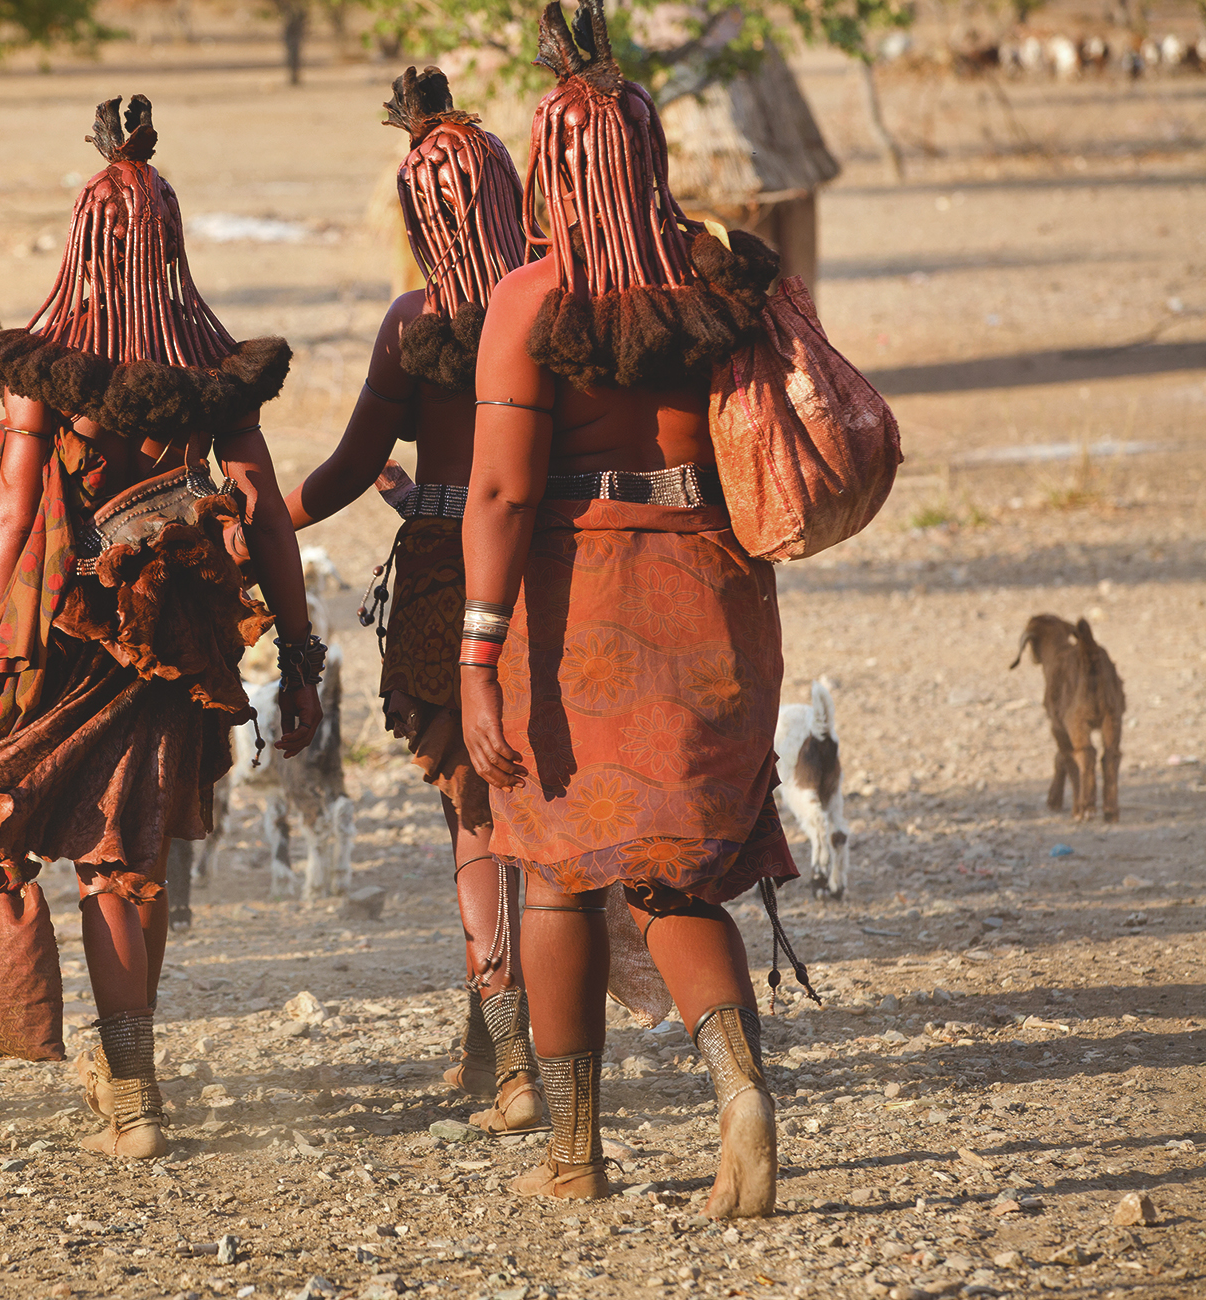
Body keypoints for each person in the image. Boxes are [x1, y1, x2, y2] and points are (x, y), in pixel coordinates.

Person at [0, 95, 319, 1160]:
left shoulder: (41, 370)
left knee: (93, 855)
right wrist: (301, 648)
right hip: (173, 633)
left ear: (81, 245)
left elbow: (7, 517)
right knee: (127, 860)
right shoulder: (211, 372)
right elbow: (266, 514)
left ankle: (132, 1095)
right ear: (171, 244)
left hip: (60, 635)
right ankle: (131, 1087)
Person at [461, 1, 799, 1214]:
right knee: (676, 873)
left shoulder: (530, 298)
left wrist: (475, 650)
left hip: (577, 594)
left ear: (548, 168)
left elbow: (500, 486)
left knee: (555, 868)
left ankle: (573, 1157)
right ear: (649, 158)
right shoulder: (719, 275)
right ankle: (739, 1091)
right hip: (713, 587)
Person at [284, 68, 540, 1133]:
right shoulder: (559, 307)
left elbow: (346, 469)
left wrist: (254, 523)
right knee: (543, 806)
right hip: (554, 565)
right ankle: (494, 1043)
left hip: (446, 577)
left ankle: (519, 1061)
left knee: (472, 816)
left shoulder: (414, 322)